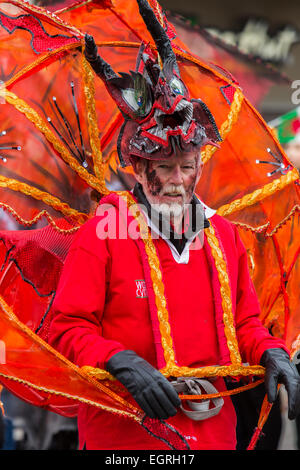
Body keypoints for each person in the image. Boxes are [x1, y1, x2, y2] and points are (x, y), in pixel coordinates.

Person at [48, 0, 300, 450]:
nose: (177, 181)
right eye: (162, 166)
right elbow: (66, 329)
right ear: (137, 165)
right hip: (123, 439)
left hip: (213, 434)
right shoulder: (103, 232)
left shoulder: (225, 236)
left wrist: (270, 352)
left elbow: (246, 324)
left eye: (187, 165)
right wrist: (119, 360)